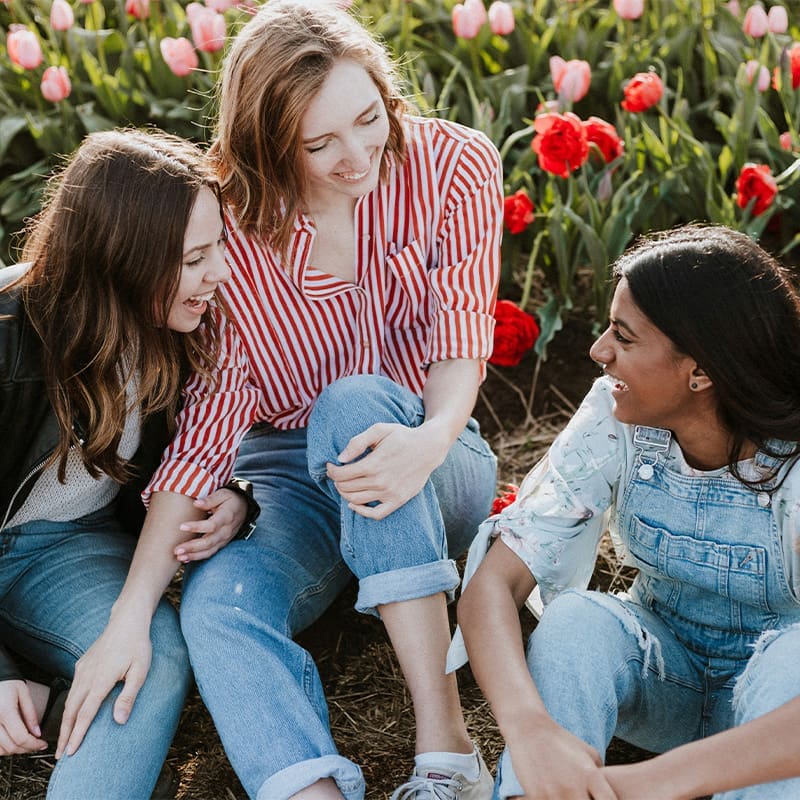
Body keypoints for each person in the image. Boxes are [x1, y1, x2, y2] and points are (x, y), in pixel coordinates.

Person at [136, 1, 503, 798]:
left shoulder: (455, 164)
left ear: (384, 90)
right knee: (217, 608)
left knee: (354, 406)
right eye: (318, 143)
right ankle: (311, 790)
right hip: (297, 479)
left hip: (435, 453)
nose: (356, 156)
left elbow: (462, 341)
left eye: (368, 119)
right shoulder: (232, 226)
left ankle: (447, 755)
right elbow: (213, 417)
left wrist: (431, 437)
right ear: (269, 145)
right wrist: (139, 606)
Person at [455, 224, 800, 800]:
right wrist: (531, 728)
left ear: (703, 370)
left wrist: (642, 785)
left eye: (625, 337)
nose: (598, 351)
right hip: (667, 677)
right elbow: (493, 586)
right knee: (577, 621)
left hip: (778, 717)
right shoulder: (614, 416)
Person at [0, 128, 256, 799]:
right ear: (123, 260)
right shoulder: (5, 334)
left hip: (63, 552)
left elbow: (203, 447)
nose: (220, 274)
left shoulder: (181, 329)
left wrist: (234, 494)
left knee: (150, 658)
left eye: (218, 247)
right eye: (195, 258)